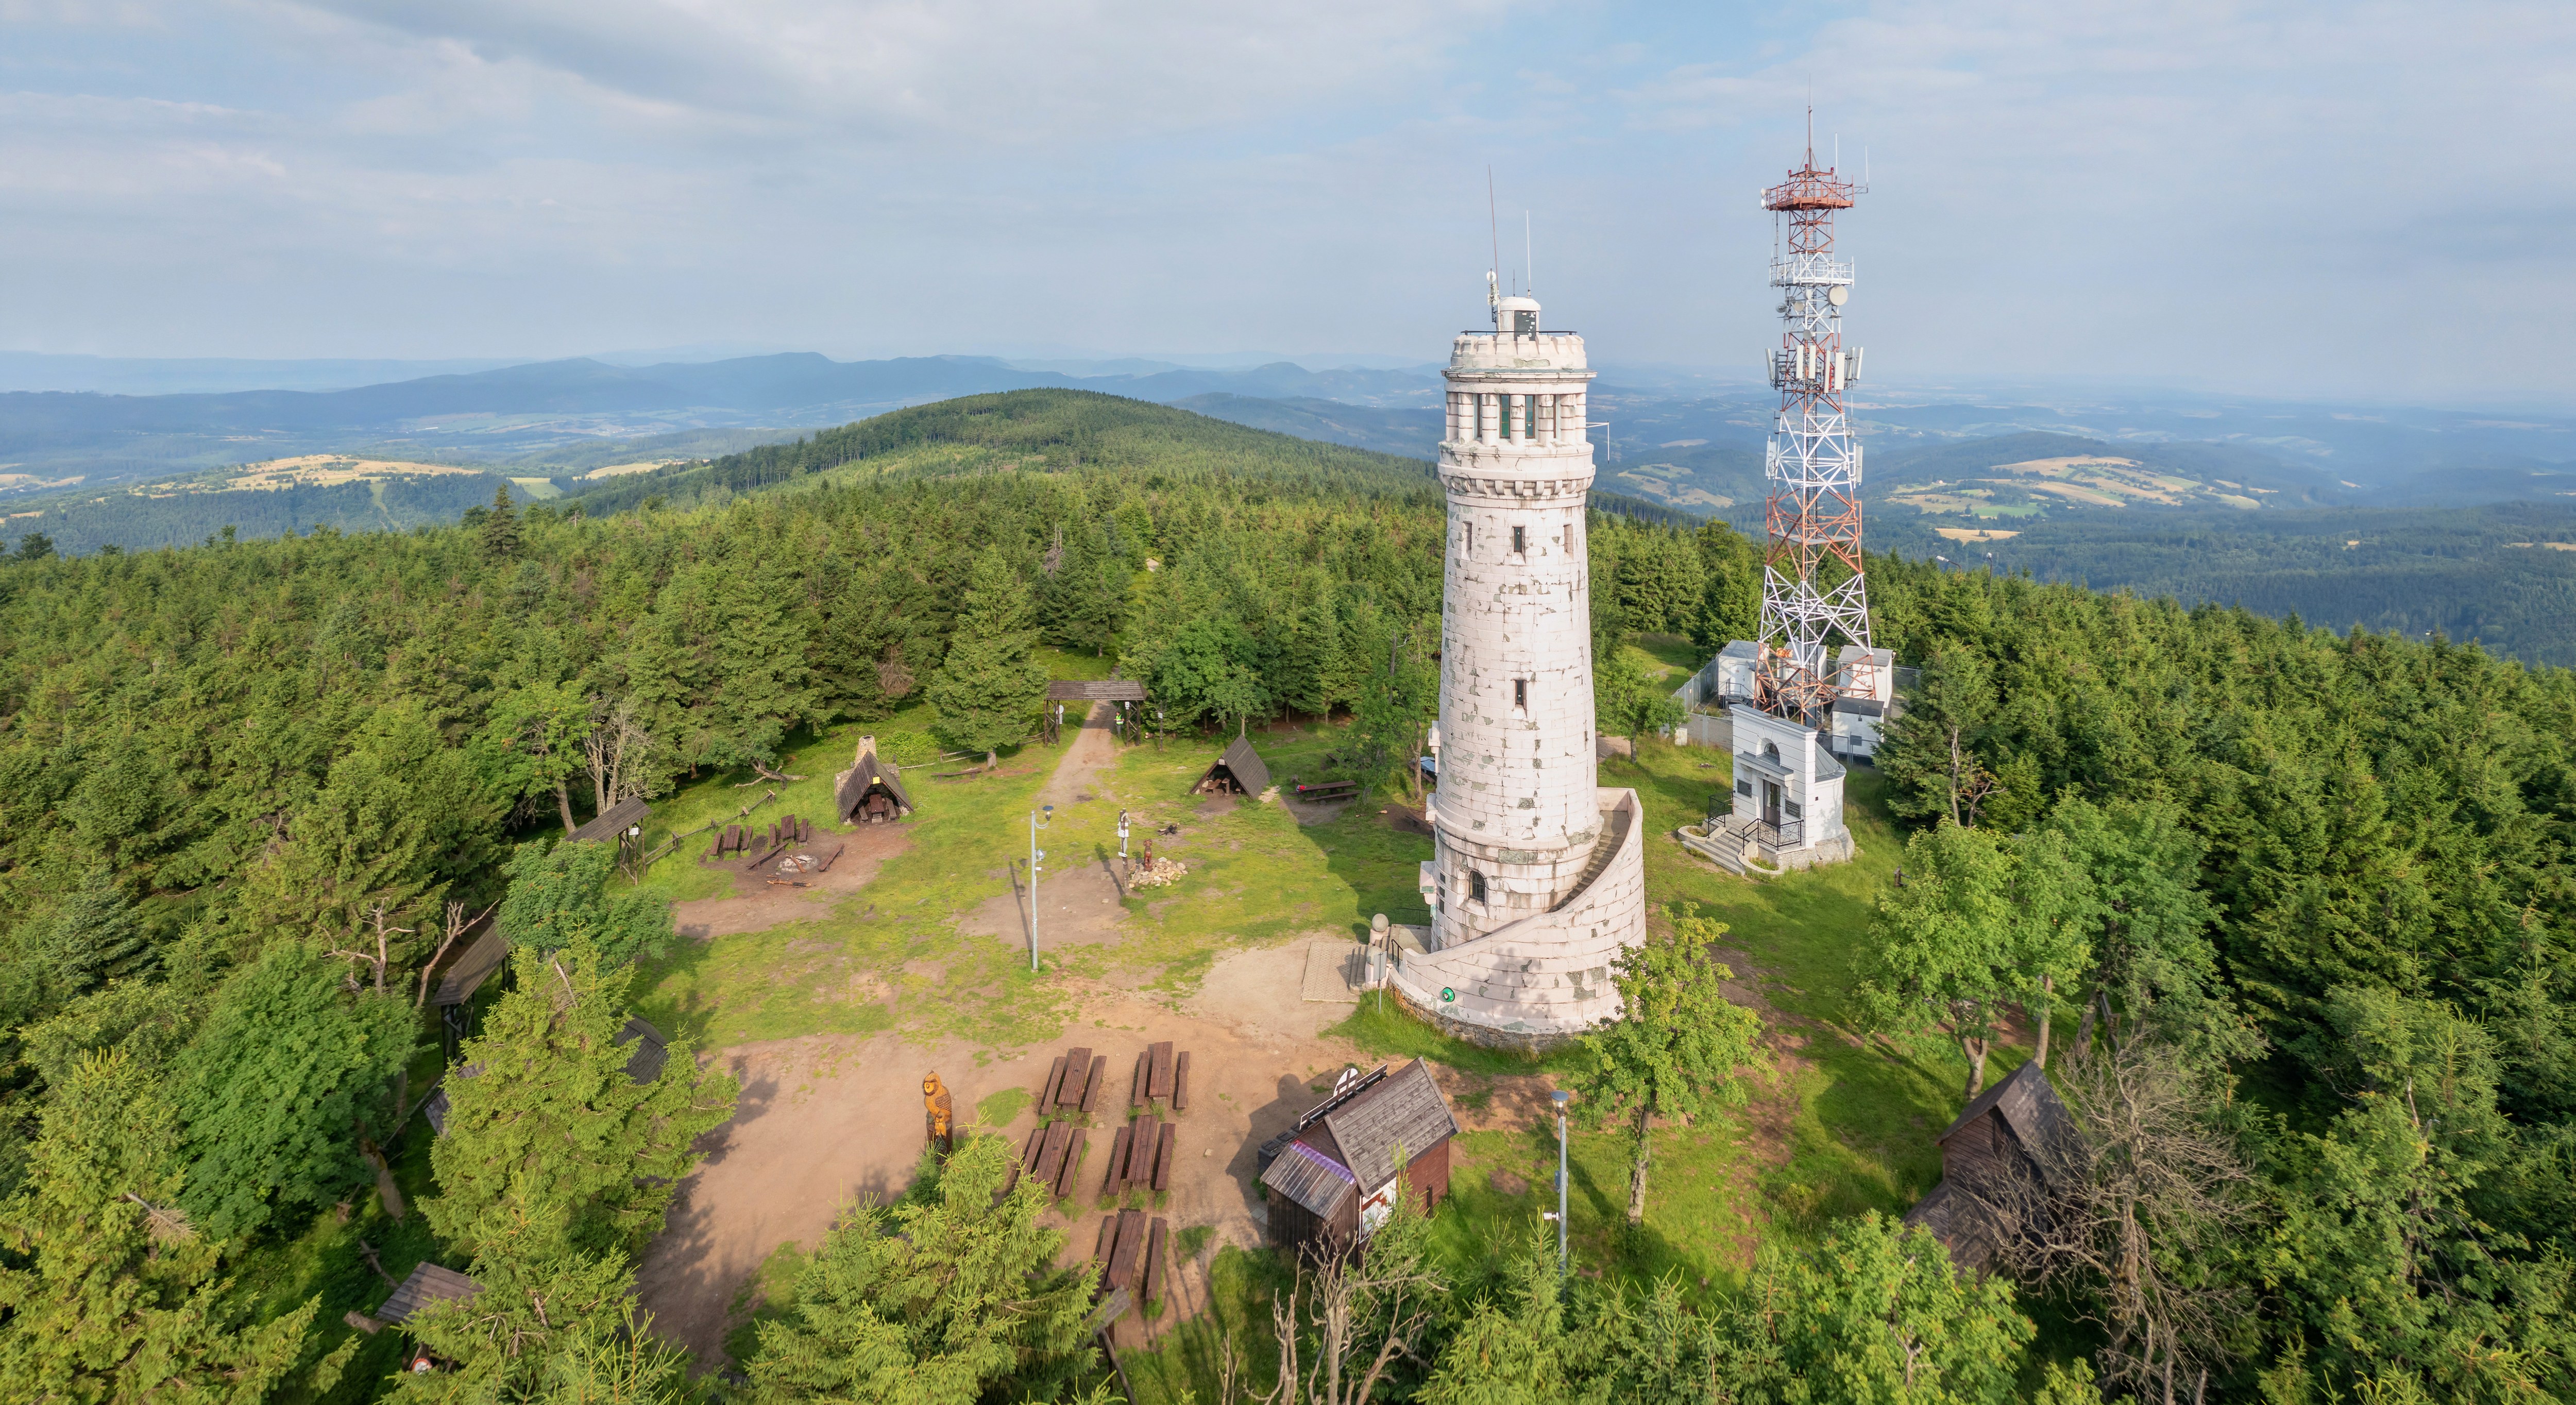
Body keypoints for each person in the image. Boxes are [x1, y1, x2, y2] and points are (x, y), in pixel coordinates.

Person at [923, 1072, 954, 1153]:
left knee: (944, 1134)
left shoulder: (940, 1096)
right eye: (926, 1086)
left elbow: (947, 1112)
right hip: (936, 1116)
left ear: (936, 1084)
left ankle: (945, 1149)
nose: (926, 1089)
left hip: (943, 1117)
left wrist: (942, 1117)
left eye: (928, 1086)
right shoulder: (929, 1098)